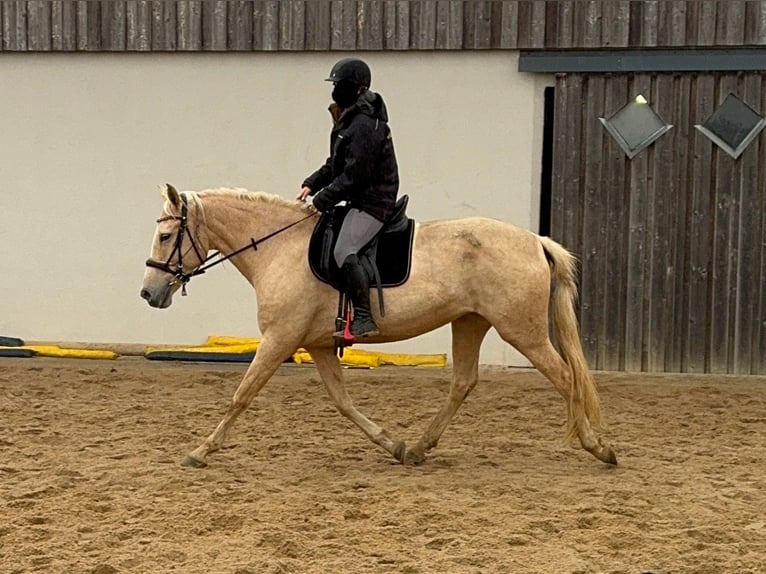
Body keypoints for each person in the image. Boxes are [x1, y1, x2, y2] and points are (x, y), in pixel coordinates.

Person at [297, 57, 400, 338]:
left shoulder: (365, 125)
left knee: (344, 250)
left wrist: (322, 200)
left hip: (374, 202)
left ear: (358, 89)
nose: (335, 89)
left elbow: (354, 176)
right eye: (334, 84)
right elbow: (335, 164)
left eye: (340, 85)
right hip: (359, 198)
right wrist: (312, 184)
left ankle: (364, 317)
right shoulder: (348, 120)